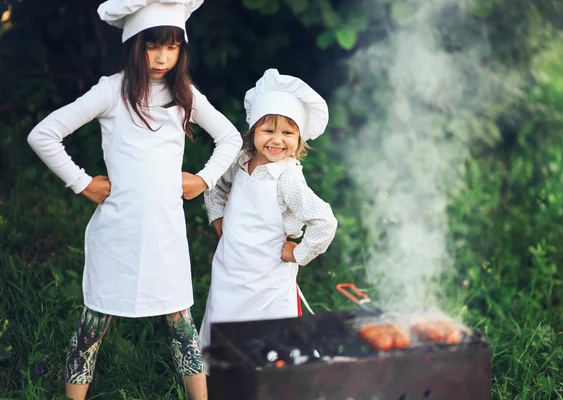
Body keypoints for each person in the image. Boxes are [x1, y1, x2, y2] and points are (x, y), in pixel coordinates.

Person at [26, 0, 242, 398]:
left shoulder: (185, 95)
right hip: (116, 235)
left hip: (166, 235)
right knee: (92, 326)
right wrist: (82, 182)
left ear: (182, 49)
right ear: (133, 45)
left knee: (181, 323)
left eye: (172, 46)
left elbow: (230, 137)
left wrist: (204, 179)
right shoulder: (111, 90)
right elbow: (43, 134)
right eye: (152, 45)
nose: (162, 56)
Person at [199, 68, 338, 347]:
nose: (277, 140)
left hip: (268, 279)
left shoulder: (287, 178)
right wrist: (219, 221)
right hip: (231, 267)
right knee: (223, 319)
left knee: (265, 336)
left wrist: (299, 252)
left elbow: (325, 221)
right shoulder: (241, 161)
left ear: (299, 138)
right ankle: (221, 377)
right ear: (253, 131)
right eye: (268, 130)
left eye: (288, 132)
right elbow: (215, 185)